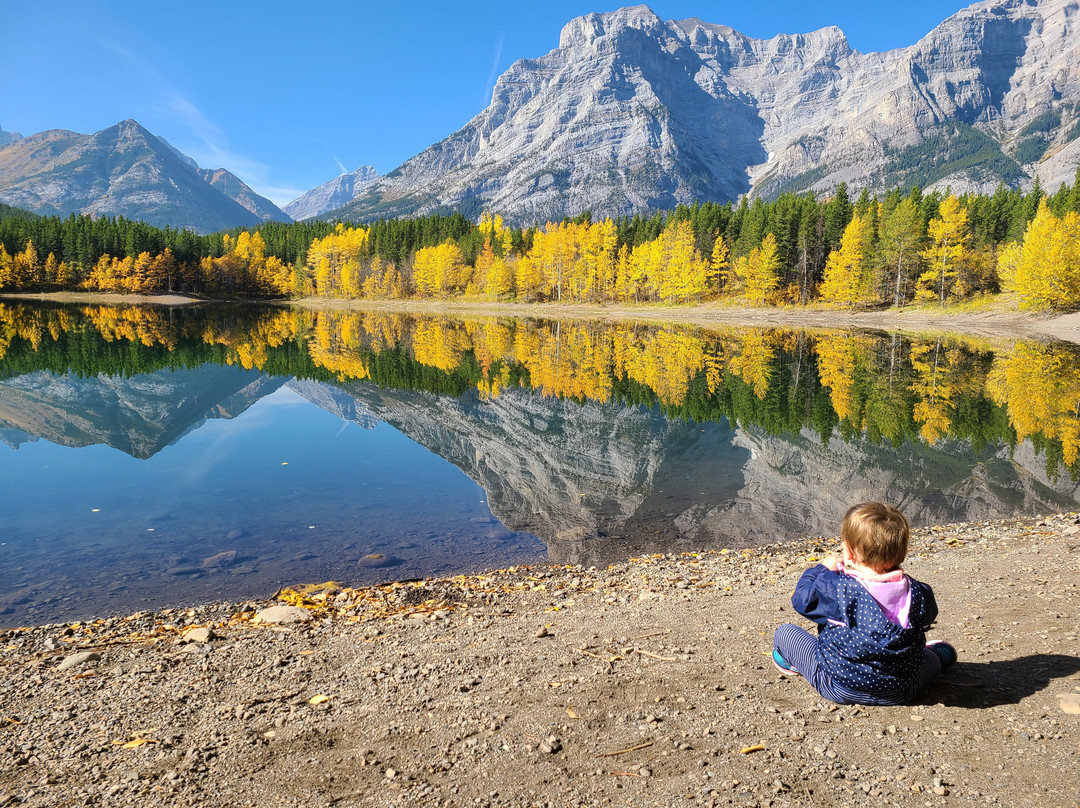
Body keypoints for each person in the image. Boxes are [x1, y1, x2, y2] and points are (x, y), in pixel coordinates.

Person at [772, 502, 956, 705]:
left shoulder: (837, 588)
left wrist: (822, 569)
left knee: (785, 633)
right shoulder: (919, 592)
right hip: (900, 691)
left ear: (849, 553)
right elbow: (928, 617)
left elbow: (801, 599)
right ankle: (936, 657)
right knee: (926, 660)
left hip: (837, 686)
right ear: (901, 552)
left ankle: (790, 662)